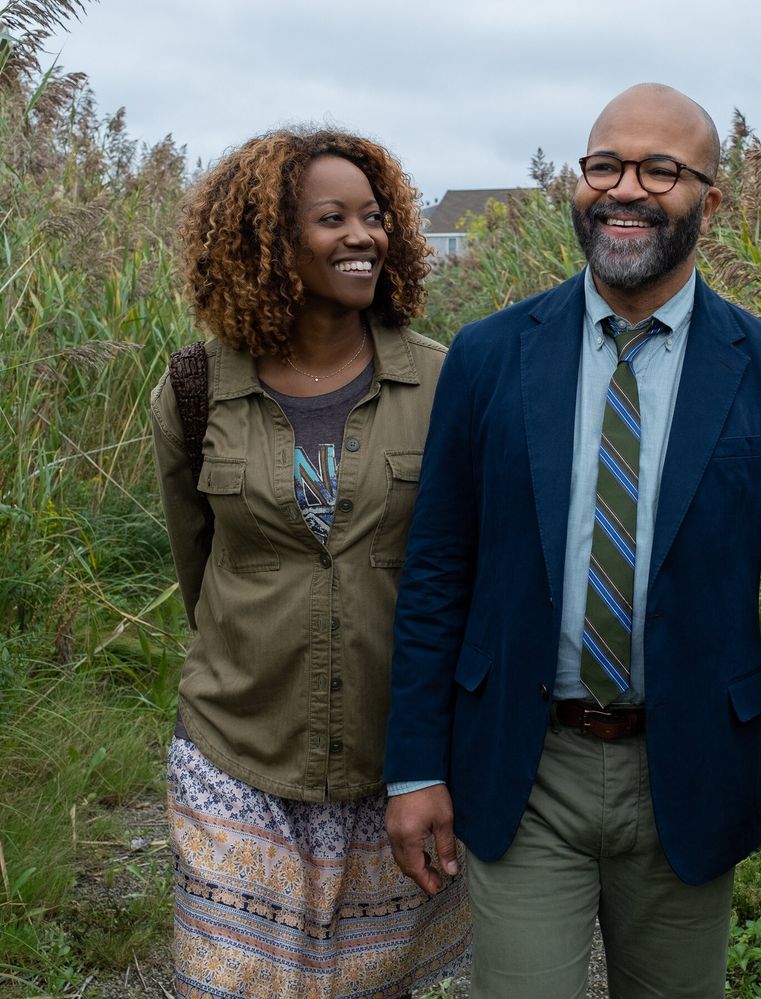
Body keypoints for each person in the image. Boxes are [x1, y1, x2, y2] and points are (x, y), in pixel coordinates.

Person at [383, 84, 761, 999]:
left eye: (661, 169)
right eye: (605, 164)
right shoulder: (489, 356)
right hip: (524, 765)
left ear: (710, 201)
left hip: (687, 766)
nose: (625, 189)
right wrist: (413, 764)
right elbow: (438, 571)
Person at [151, 128, 470, 999]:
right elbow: (200, 563)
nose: (361, 236)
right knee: (231, 984)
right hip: (236, 746)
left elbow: (463, 573)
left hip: (389, 758)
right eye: (332, 218)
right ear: (267, 241)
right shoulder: (194, 388)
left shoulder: (446, 385)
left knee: (369, 987)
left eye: (374, 217)